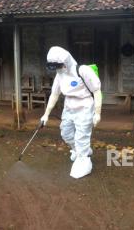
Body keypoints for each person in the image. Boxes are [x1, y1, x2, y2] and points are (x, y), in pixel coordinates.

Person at [40, 46, 102, 179]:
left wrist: (97, 112)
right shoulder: (60, 75)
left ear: (66, 62)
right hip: (69, 107)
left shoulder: (82, 70)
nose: (57, 68)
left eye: (58, 65)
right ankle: (79, 151)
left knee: (81, 136)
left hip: (84, 106)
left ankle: (84, 159)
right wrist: (46, 114)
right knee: (66, 133)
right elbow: (54, 95)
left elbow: (97, 91)